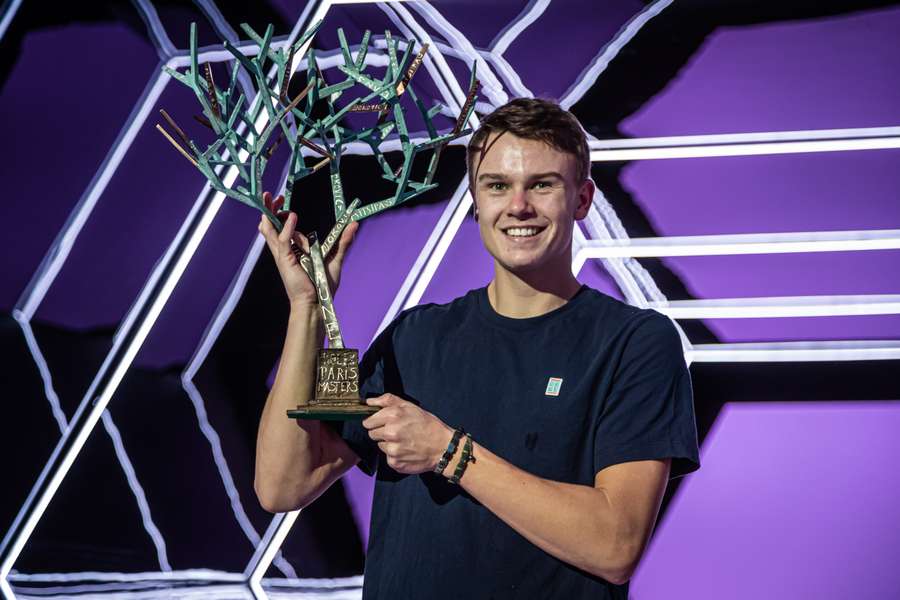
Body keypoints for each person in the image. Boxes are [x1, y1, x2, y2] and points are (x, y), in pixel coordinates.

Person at [255, 98, 700, 598]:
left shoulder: (635, 343)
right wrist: (310, 309)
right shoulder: (414, 337)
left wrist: (448, 451)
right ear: (474, 199)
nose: (518, 206)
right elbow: (283, 484)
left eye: (542, 184)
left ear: (582, 199)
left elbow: (615, 547)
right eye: (497, 186)